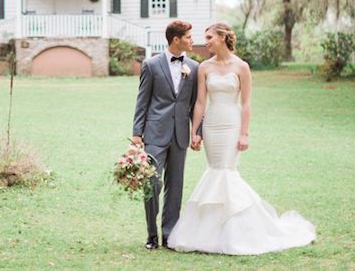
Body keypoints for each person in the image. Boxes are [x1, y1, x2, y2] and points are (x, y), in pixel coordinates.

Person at [168, 22, 316, 255]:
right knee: (215, 170)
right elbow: (200, 102)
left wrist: (244, 132)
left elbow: (246, 103)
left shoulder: (242, 67)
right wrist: (195, 131)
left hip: (232, 123)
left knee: (227, 172)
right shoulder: (204, 67)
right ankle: (211, 234)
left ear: (223, 37)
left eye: (209, 38)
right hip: (212, 124)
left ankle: (239, 232)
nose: (205, 42)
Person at [132, 20, 201, 250]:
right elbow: (142, 101)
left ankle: (169, 234)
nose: (192, 40)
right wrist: (137, 134)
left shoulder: (193, 67)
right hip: (154, 133)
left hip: (180, 134)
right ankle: (152, 235)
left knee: (176, 186)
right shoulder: (151, 65)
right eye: (189, 37)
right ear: (176, 39)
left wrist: (196, 131)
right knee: (152, 182)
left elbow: (194, 105)